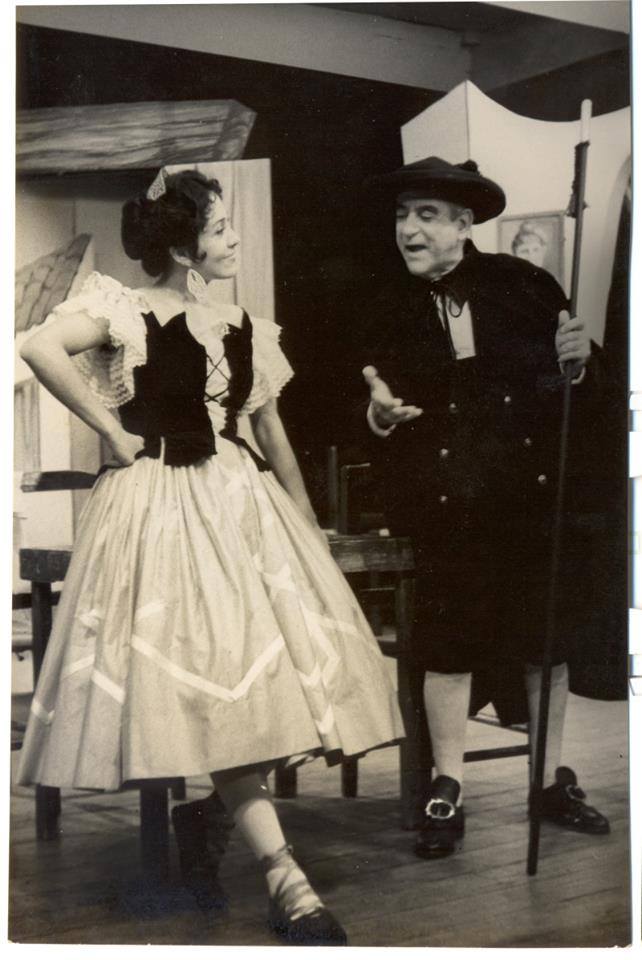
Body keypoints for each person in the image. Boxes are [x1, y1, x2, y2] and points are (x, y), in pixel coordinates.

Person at [16, 167, 404, 944]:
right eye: (220, 228)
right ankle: (284, 876)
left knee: (271, 679)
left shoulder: (243, 327)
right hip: (158, 508)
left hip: (240, 506)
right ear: (182, 245)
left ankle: (212, 817)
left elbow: (271, 435)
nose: (233, 239)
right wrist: (113, 432)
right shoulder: (121, 309)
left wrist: (307, 529)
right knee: (211, 676)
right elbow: (38, 345)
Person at [360, 156, 610, 860]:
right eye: (402, 215)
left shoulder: (526, 285)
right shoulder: (384, 304)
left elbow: (582, 385)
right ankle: (447, 786)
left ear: (464, 224)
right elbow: (360, 402)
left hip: (528, 498)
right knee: (449, 646)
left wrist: (578, 363)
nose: (409, 229)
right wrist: (377, 415)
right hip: (448, 505)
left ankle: (548, 782)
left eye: (426, 215)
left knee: (543, 643)